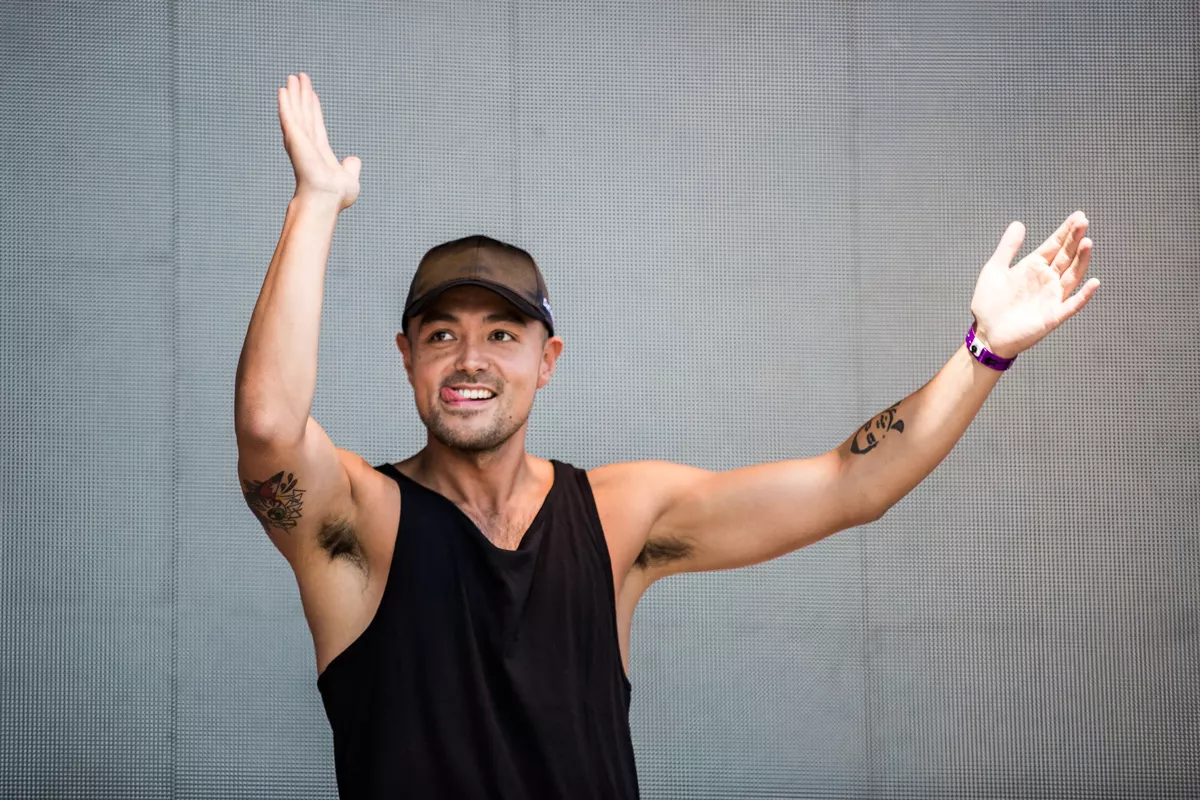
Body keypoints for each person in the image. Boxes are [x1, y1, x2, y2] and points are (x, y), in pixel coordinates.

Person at [235, 73, 1100, 799]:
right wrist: (317, 202)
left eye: (501, 334)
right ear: (407, 358)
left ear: (547, 360)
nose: (470, 360)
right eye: (441, 335)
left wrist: (984, 351)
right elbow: (271, 424)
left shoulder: (618, 517)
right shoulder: (361, 524)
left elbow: (851, 484)